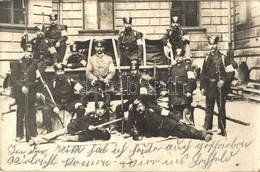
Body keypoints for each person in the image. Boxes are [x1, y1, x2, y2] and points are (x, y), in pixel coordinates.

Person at [124, 95, 213, 142]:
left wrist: (178, 119)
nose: (139, 109)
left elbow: (167, 113)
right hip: (162, 131)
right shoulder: (139, 117)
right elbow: (138, 127)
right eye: (137, 108)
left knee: (183, 128)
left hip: (167, 122)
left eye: (140, 106)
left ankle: (203, 135)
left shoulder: (152, 108)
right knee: (182, 135)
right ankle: (202, 132)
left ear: (143, 105)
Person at [114, 59, 165, 132]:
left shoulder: (142, 79)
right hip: (132, 99)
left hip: (141, 100)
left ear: (138, 70)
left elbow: (143, 94)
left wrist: (135, 101)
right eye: (132, 70)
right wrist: (123, 91)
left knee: (132, 109)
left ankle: (127, 129)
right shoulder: (130, 79)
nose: (133, 72)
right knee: (119, 108)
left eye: (135, 70)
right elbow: (129, 92)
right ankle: (119, 128)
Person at [200, 36, 236, 136]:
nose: (212, 46)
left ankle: (222, 128)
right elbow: (203, 74)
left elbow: (231, 72)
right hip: (209, 87)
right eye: (210, 44)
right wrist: (202, 87)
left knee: (221, 108)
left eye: (214, 44)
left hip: (219, 88)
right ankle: (208, 128)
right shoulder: (206, 58)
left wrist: (224, 81)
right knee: (208, 108)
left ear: (217, 45)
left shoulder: (223, 58)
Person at [29, 102, 111, 145]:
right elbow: (80, 121)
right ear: (96, 110)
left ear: (105, 111)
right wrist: (88, 126)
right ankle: (36, 140)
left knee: (61, 138)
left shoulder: (104, 122)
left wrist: (103, 131)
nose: (100, 111)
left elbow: (107, 137)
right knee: (57, 133)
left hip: (82, 136)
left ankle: (42, 140)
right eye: (98, 109)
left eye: (102, 109)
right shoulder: (90, 114)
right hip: (75, 128)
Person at [9, 44, 42, 143]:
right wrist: (21, 87)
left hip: (31, 92)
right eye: (28, 51)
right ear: (24, 52)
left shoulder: (35, 64)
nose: (30, 54)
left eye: (31, 52)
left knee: (32, 113)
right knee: (21, 114)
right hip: (21, 92)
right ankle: (19, 134)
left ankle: (33, 133)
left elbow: (38, 78)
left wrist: (38, 91)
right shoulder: (17, 63)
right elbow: (13, 79)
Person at [86, 39, 115, 119]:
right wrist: (93, 78)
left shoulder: (109, 58)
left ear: (104, 48)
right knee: (97, 105)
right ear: (95, 48)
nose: (99, 49)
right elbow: (88, 71)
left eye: (101, 47)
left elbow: (112, 71)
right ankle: (97, 123)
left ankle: (106, 124)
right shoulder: (91, 59)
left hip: (107, 85)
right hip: (96, 84)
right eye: (97, 47)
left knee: (107, 105)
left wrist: (107, 79)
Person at [168, 48, 196, 125]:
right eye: (176, 56)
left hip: (184, 92)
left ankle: (189, 127)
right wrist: (169, 90)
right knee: (176, 110)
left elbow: (192, 79)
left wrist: (189, 90)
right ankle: (179, 127)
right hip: (175, 92)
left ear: (182, 57)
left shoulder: (187, 67)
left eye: (180, 56)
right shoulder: (172, 67)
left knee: (186, 110)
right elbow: (170, 79)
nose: (178, 58)